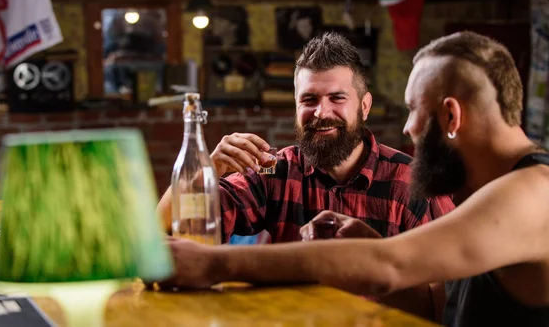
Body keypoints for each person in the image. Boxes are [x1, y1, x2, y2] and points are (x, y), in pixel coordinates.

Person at [161, 31, 549, 326]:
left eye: (414, 109)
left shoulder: (534, 192)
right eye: (309, 100)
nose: (410, 127)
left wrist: (216, 265)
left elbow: (389, 265)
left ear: (451, 116)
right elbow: (437, 307)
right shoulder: (498, 192)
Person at [157, 32, 454, 243]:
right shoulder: (275, 171)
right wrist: (204, 172)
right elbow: (169, 231)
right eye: (309, 99)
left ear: (364, 106)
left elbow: (447, 288)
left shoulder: (412, 183)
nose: (321, 112)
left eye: (337, 98)